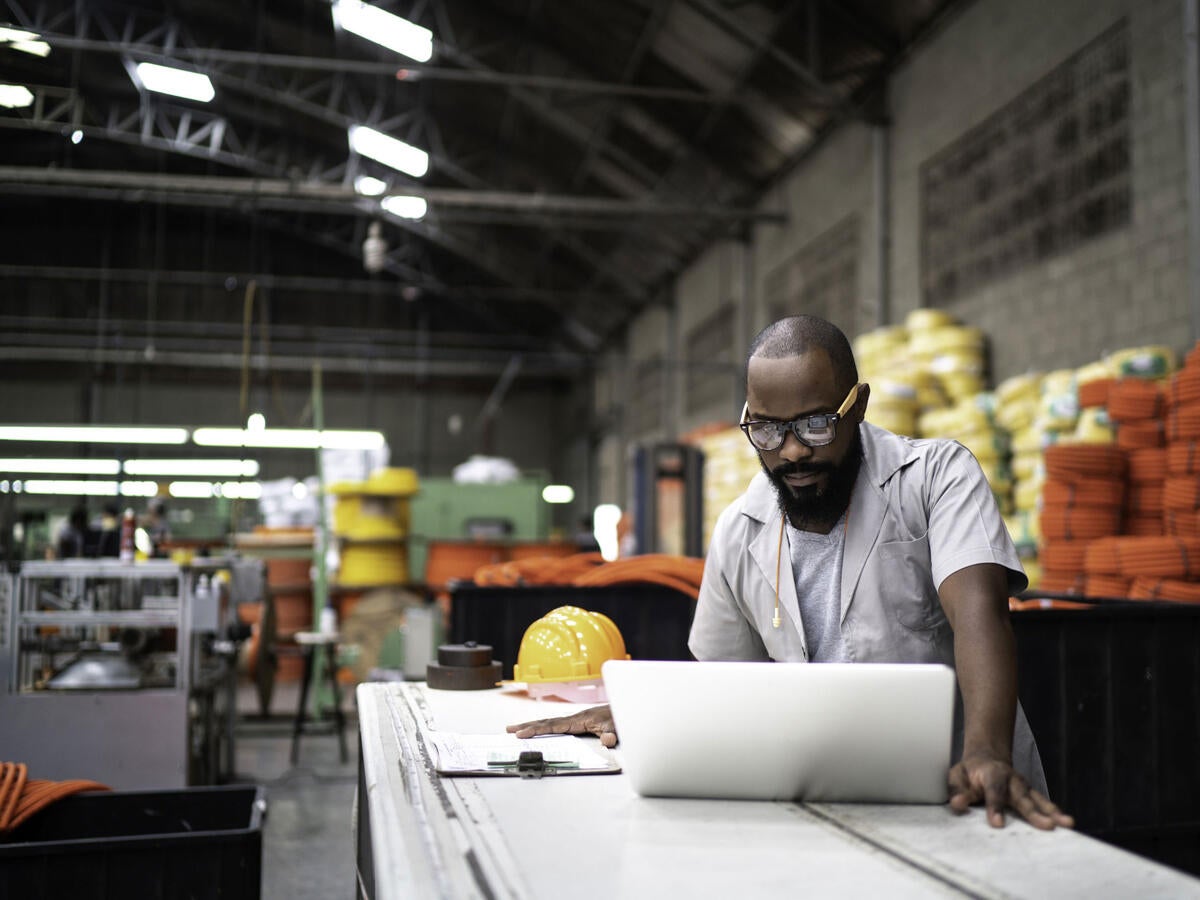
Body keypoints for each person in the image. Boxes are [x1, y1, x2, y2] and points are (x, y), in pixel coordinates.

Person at [509, 314, 1073, 831]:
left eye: (816, 426)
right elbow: (728, 687)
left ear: (859, 405)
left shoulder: (935, 478)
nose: (792, 452)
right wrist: (641, 713)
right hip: (824, 804)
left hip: (965, 795)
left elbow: (980, 616)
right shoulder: (740, 531)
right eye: (768, 431)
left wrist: (986, 753)